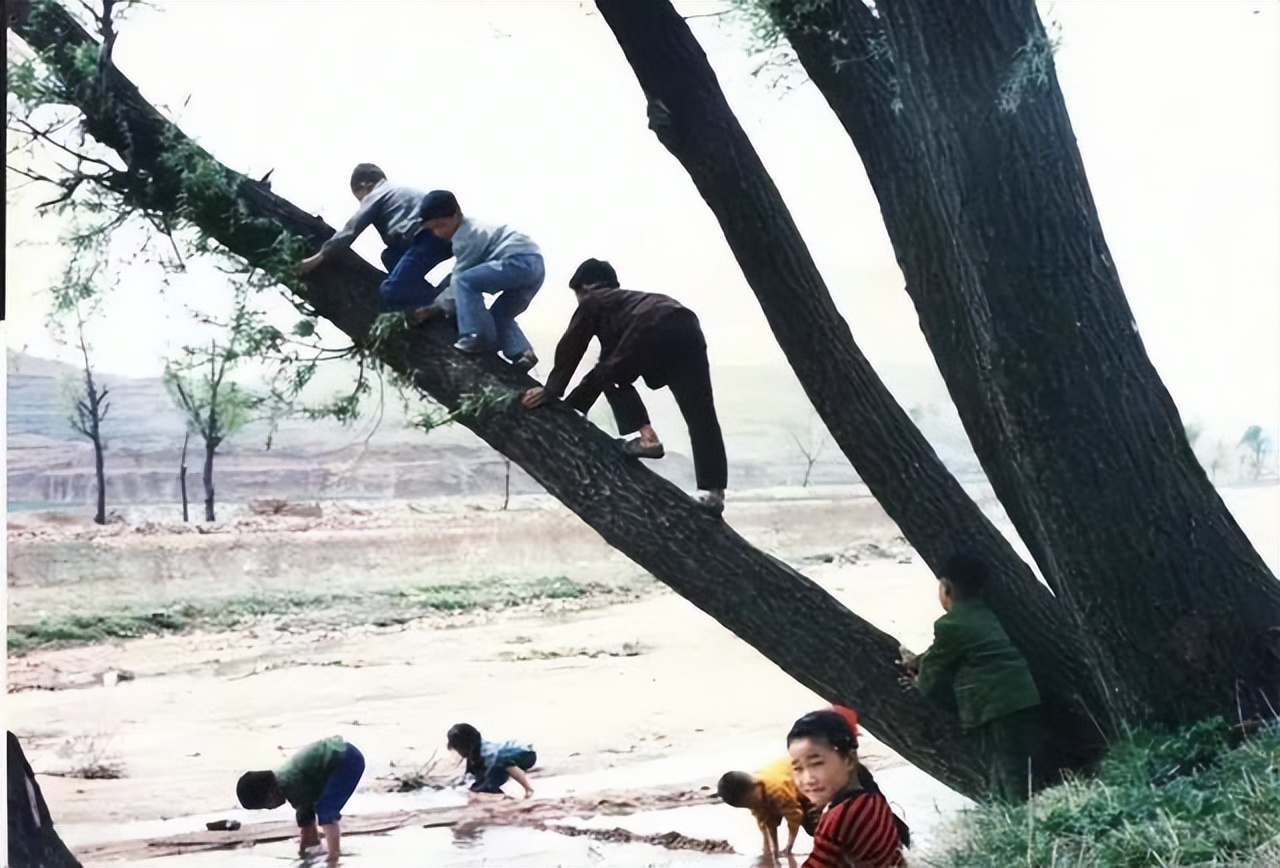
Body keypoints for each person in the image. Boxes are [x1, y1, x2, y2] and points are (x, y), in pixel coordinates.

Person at [520, 258, 728, 514]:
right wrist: (573, 406)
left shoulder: (595, 300)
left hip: (653, 326)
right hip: (687, 326)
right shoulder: (626, 310)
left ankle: (647, 438)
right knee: (701, 414)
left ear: (585, 287)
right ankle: (713, 492)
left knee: (610, 372)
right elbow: (604, 368)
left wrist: (551, 391)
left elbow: (572, 345)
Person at [898, 552, 1044, 801]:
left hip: (995, 707)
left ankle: (1018, 819)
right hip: (1022, 697)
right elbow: (947, 650)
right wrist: (919, 660)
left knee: (1008, 773)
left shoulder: (950, 625)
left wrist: (916, 681)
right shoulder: (985, 613)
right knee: (1014, 766)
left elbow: (932, 676)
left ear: (946, 589)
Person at [298, 164, 453, 317]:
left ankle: (437, 298)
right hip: (436, 239)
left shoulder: (378, 193)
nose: (362, 202)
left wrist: (318, 257)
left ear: (365, 185)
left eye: (360, 198)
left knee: (390, 290)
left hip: (424, 238)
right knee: (389, 256)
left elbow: (352, 228)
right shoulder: (398, 191)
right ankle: (430, 295)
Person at [419, 190, 543, 369]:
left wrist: (434, 308)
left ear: (456, 215)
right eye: (433, 229)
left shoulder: (466, 236)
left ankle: (474, 336)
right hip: (535, 265)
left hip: (518, 259)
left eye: (441, 225)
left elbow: (459, 281)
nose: (438, 233)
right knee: (502, 314)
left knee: (465, 282)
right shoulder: (475, 230)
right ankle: (523, 353)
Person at [787, 710, 908, 868]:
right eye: (798, 769)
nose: (808, 779)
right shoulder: (873, 799)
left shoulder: (841, 816)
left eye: (817, 763)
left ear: (849, 759)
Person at [235, 735, 365, 864]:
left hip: (346, 760)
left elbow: (306, 818)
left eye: (267, 804)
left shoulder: (290, 783)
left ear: (270, 793)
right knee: (322, 809)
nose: (271, 808)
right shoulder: (284, 778)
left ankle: (334, 857)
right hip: (341, 753)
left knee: (326, 811)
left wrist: (306, 846)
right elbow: (306, 818)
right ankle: (330, 850)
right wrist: (308, 844)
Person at [718, 757, 818, 860]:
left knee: (814, 827)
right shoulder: (753, 799)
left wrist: (789, 848)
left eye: (752, 801)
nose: (753, 806)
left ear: (756, 785)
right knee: (770, 816)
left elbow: (794, 817)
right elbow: (766, 822)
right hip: (781, 789)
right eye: (748, 805)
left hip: (804, 781)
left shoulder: (776, 789)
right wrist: (773, 849)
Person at [446, 723, 537, 798]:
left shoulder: (488, 752)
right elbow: (471, 777)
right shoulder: (474, 755)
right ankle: (503, 796)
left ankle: (528, 789)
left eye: (459, 748)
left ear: (467, 745)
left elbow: (497, 765)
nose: (459, 752)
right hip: (508, 757)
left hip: (526, 754)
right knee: (481, 786)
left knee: (500, 762)